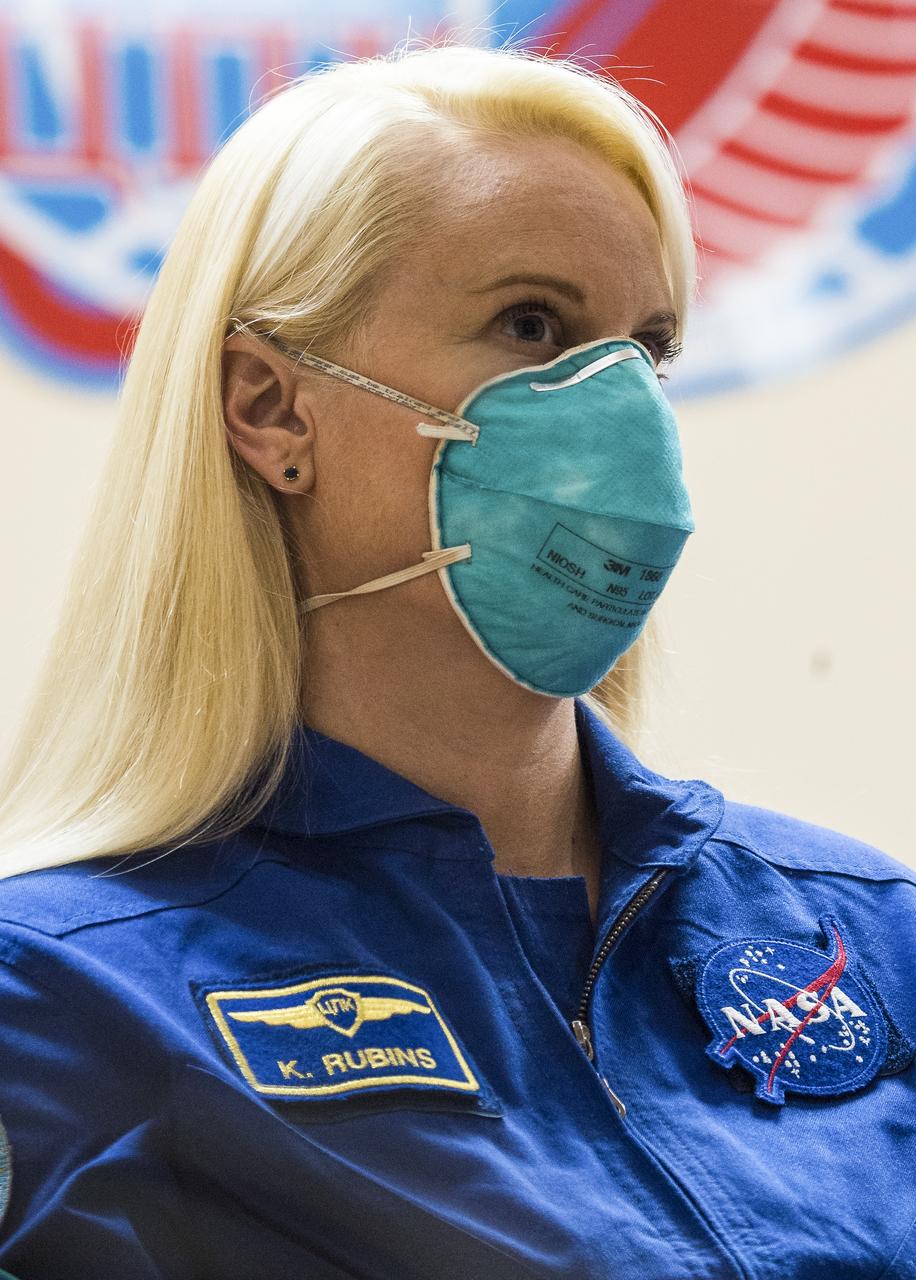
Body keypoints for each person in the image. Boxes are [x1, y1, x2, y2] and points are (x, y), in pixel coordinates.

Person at [0, 37, 912, 1280]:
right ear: (271, 408)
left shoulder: (866, 926)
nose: (619, 412)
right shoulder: (62, 994)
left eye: (645, 350)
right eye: (531, 324)